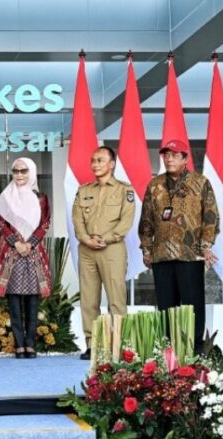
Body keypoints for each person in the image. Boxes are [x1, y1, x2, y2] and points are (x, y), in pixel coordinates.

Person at [139, 139, 219, 350]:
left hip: (190, 254)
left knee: (193, 305)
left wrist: (206, 245)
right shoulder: (154, 185)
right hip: (162, 254)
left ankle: (195, 348)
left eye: (174, 155)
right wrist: (146, 248)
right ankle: (168, 349)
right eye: (166, 155)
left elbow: (210, 216)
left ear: (185, 158)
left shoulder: (200, 183)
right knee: (166, 306)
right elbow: (146, 219)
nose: (169, 159)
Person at [72, 146, 135, 360]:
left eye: (100, 160)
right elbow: (77, 219)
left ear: (112, 164)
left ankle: (119, 343)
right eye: (93, 160)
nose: (95, 164)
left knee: (116, 298)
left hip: (112, 249)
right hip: (87, 249)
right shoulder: (84, 190)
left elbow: (126, 221)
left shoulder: (124, 190)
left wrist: (105, 239)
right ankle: (93, 344)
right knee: (89, 298)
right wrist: (86, 239)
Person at [0, 157, 51, 359]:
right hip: (12, 252)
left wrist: (30, 243)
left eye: (23, 171)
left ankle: (30, 344)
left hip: (33, 253)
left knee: (33, 300)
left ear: (31, 172)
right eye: (16, 171)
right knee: (14, 299)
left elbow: (45, 223)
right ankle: (19, 344)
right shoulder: (5, 197)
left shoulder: (41, 198)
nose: (19, 175)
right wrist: (16, 243)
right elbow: (1, 222)